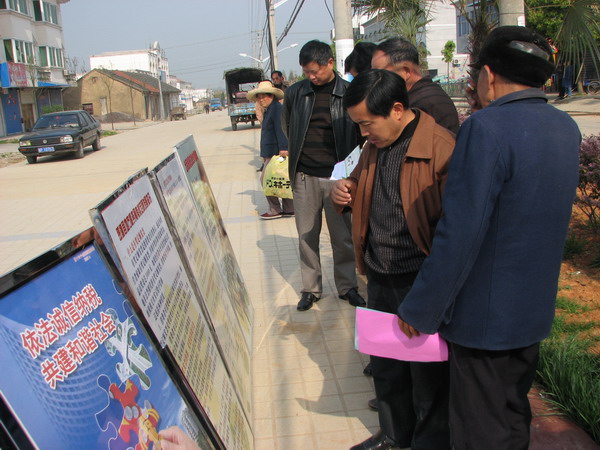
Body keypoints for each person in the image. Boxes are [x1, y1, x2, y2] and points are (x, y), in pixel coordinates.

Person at [396, 26, 581, 449]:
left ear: (489, 75)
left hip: (484, 318)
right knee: (513, 413)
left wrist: (421, 307)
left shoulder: (485, 128)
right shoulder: (564, 126)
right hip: (531, 310)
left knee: (480, 429)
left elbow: (460, 232)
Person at [331, 69, 455, 450]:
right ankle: (393, 436)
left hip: (419, 280)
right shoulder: (374, 144)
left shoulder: (441, 148)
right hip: (380, 275)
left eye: (366, 123)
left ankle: (428, 443)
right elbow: (360, 181)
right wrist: (345, 189)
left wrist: (431, 295)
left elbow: (455, 230)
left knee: (427, 377)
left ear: (397, 110)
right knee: (387, 369)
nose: (362, 132)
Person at [282, 40, 366, 311]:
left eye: (315, 71)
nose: (311, 77)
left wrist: (351, 173)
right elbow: (288, 126)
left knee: (342, 236)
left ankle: (347, 286)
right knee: (306, 236)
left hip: (338, 178)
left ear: (330, 63)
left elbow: (359, 133)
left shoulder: (349, 93)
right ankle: (311, 289)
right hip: (304, 176)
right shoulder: (295, 93)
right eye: (306, 72)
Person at [371, 37, 460, 134]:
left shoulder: (424, 104)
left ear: (405, 71)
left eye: (381, 74)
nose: (376, 80)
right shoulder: (418, 97)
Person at [247, 80, 294, 219]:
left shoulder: (276, 109)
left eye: (264, 96)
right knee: (281, 179)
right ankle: (289, 208)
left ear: (271, 96)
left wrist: (284, 148)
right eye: (259, 97)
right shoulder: (270, 109)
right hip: (271, 152)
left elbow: (281, 129)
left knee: (266, 180)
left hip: (276, 152)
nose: (261, 99)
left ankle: (275, 209)